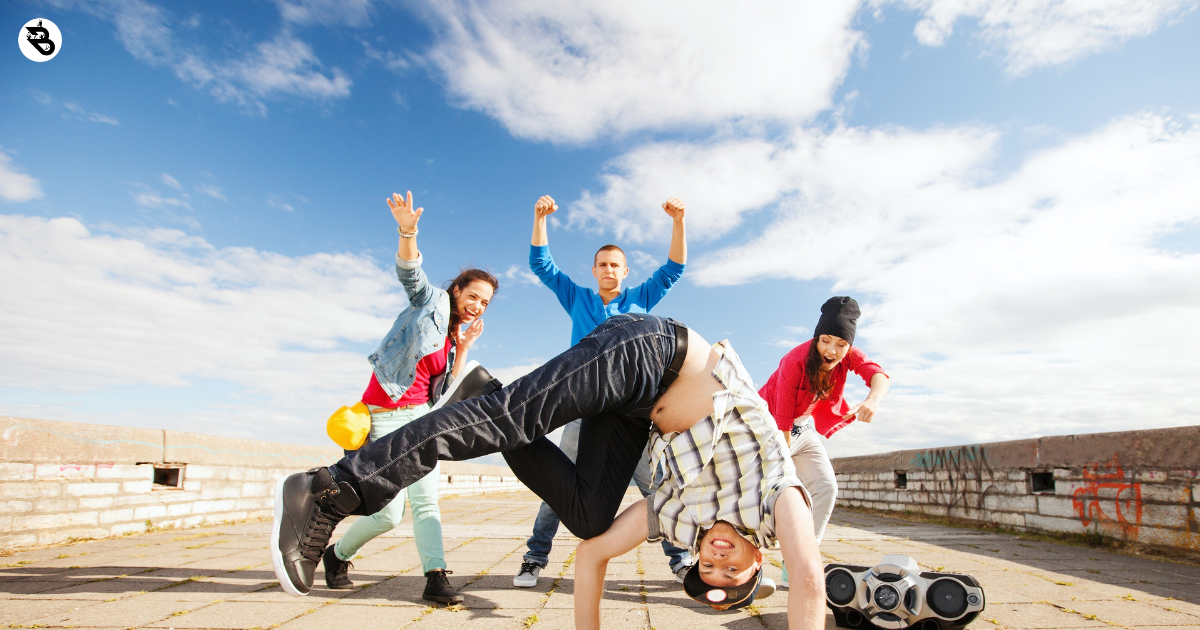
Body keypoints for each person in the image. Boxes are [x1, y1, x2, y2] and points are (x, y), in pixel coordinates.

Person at [270, 314, 825, 629]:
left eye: (708, 570)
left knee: (588, 517)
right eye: (733, 573)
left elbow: (592, 555)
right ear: (759, 557)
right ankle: (329, 490)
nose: (717, 563)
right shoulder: (777, 505)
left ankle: (483, 394)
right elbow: (808, 579)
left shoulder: (683, 522)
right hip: (651, 354)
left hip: (633, 410)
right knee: (498, 423)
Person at [319, 191, 498, 604]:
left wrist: (464, 346)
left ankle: (436, 577)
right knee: (387, 512)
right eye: (473, 296)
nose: (477, 306)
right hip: (385, 411)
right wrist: (407, 231)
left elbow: (447, 389)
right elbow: (411, 273)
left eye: (485, 303)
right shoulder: (431, 301)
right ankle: (337, 555)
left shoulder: (455, 337)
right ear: (456, 290)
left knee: (425, 502)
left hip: (420, 417)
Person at [515, 194, 691, 588]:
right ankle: (534, 557)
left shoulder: (638, 300)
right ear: (593, 270)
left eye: (615, 265)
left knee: (656, 485)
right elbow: (541, 265)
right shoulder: (578, 298)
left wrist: (678, 222)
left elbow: (674, 269)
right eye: (603, 264)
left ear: (625, 271)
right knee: (561, 486)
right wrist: (539, 217)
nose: (609, 270)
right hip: (585, 406)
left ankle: (680, 559)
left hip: (631, 413)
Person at [757, 296, 890, 587]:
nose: (831, 350)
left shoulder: (849, 354)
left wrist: (873, 399)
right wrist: (785, 472)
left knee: (826, 488)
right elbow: (781, 421)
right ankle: (743, 562)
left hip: (803, 429)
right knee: (766, 494)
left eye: (840, 344)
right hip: (767, 431)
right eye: (825, 341)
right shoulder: (794, 361)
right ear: (817, 337)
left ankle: (799, 565)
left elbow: (878, 374)